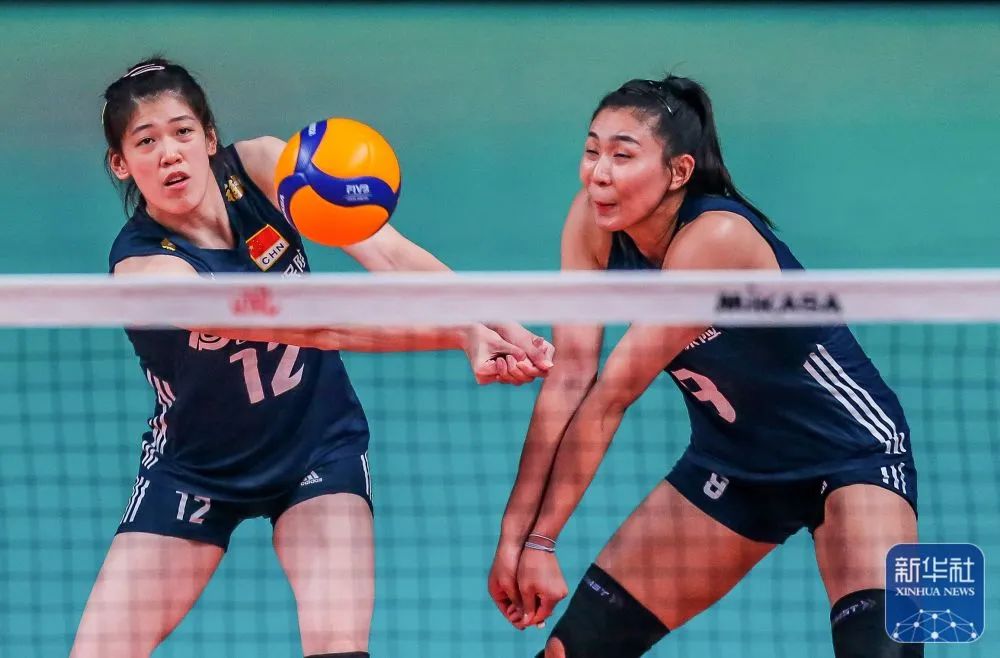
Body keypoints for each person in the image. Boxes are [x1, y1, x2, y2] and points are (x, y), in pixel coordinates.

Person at [71, 57, 554, 658]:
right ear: (121, 164)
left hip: (316, 448)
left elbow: (390, 255)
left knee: (338, 648)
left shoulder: (266, 168)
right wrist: (461, 334)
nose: (170, 153)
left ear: (209, 138)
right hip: (196, 470)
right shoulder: (145, 270)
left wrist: (499, 321)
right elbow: (318, 327)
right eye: (146, 142)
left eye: (182, 131)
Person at [488, 75, 920, 658]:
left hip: (852, 454)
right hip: (733, 464)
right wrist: (513, 540)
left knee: (891, 650)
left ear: (679, 171)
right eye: (592, 151)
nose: (599, 174)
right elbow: (569, 381)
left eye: (622, 155)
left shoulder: (717, 238)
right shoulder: (594, 222)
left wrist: (543, 541)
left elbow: (612, 396)